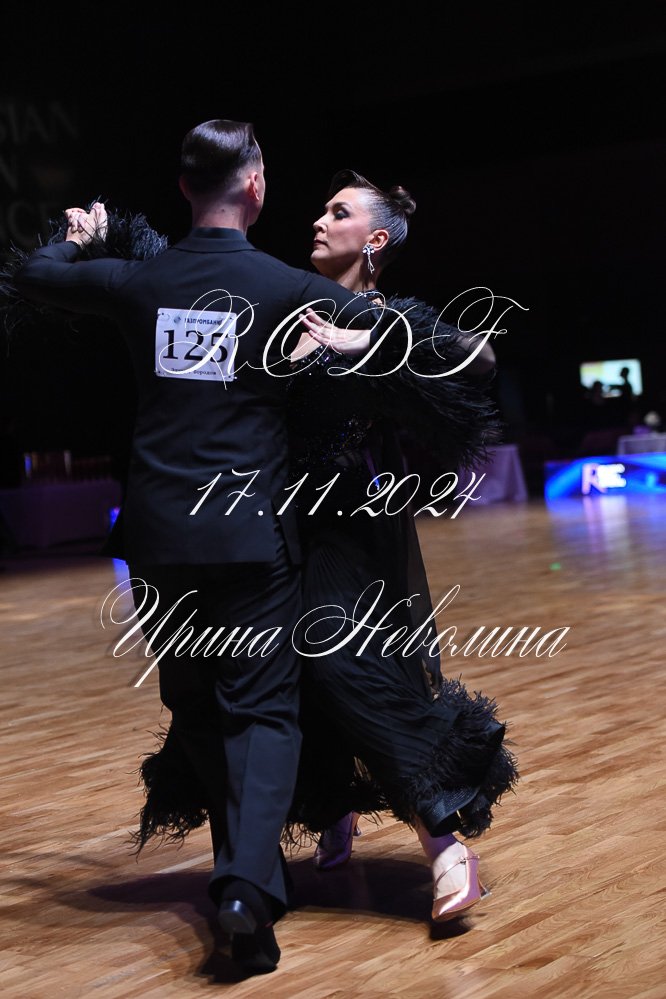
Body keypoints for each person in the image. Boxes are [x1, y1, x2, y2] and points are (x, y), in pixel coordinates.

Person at [12, 121, 376, 975]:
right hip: (249, 536)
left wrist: (79, 235)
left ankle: (247, 882)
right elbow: (398, 338)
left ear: (183, 189)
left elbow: (35, 273)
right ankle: (245, 884)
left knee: (201, 708)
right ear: (255, 187)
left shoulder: (141, 281)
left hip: (157, 538)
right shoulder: (287, 287)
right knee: (264, 711)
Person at [283, 170, 517, 921]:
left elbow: (480, 359)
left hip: (356, 525)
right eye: (323, 209)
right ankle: (336, 806)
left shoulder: (391, 317)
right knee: (295, 672)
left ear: (375, 239)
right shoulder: (289, 305)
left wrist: (371, 340)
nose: (319, 220)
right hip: (281, 520)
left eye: (339, 212)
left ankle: (444, 842)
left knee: (345, 662)